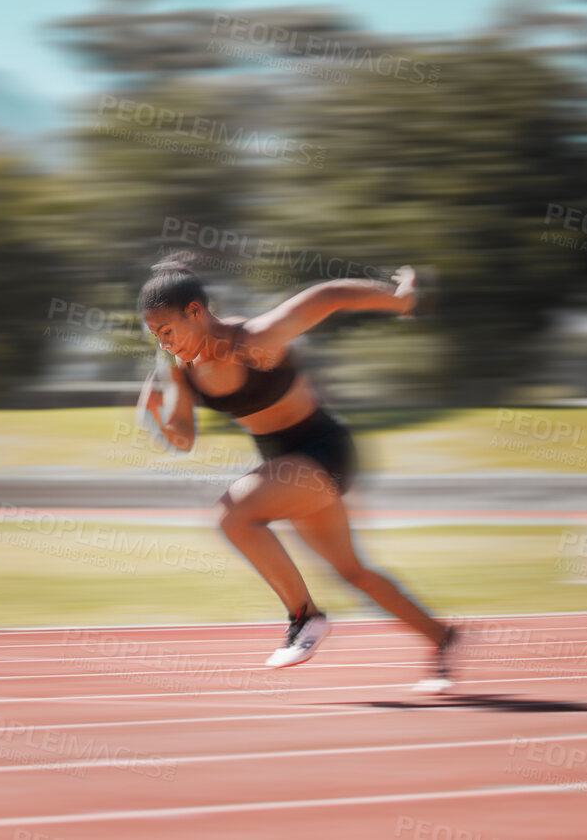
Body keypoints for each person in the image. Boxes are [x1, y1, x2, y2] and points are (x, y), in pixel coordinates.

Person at [134, 254, 460, 691]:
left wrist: (400, 302)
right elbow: (183, 439)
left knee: (233, 516)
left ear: (195, 311)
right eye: (155, 336)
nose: (164, 344)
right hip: (286, 468)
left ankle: (304, 616)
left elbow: (330, 296)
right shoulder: (182, 370)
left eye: (167, 331)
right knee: (352, 572)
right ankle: (443, 637)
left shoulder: (253, 339)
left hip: (323, 451)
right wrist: (151, 412)